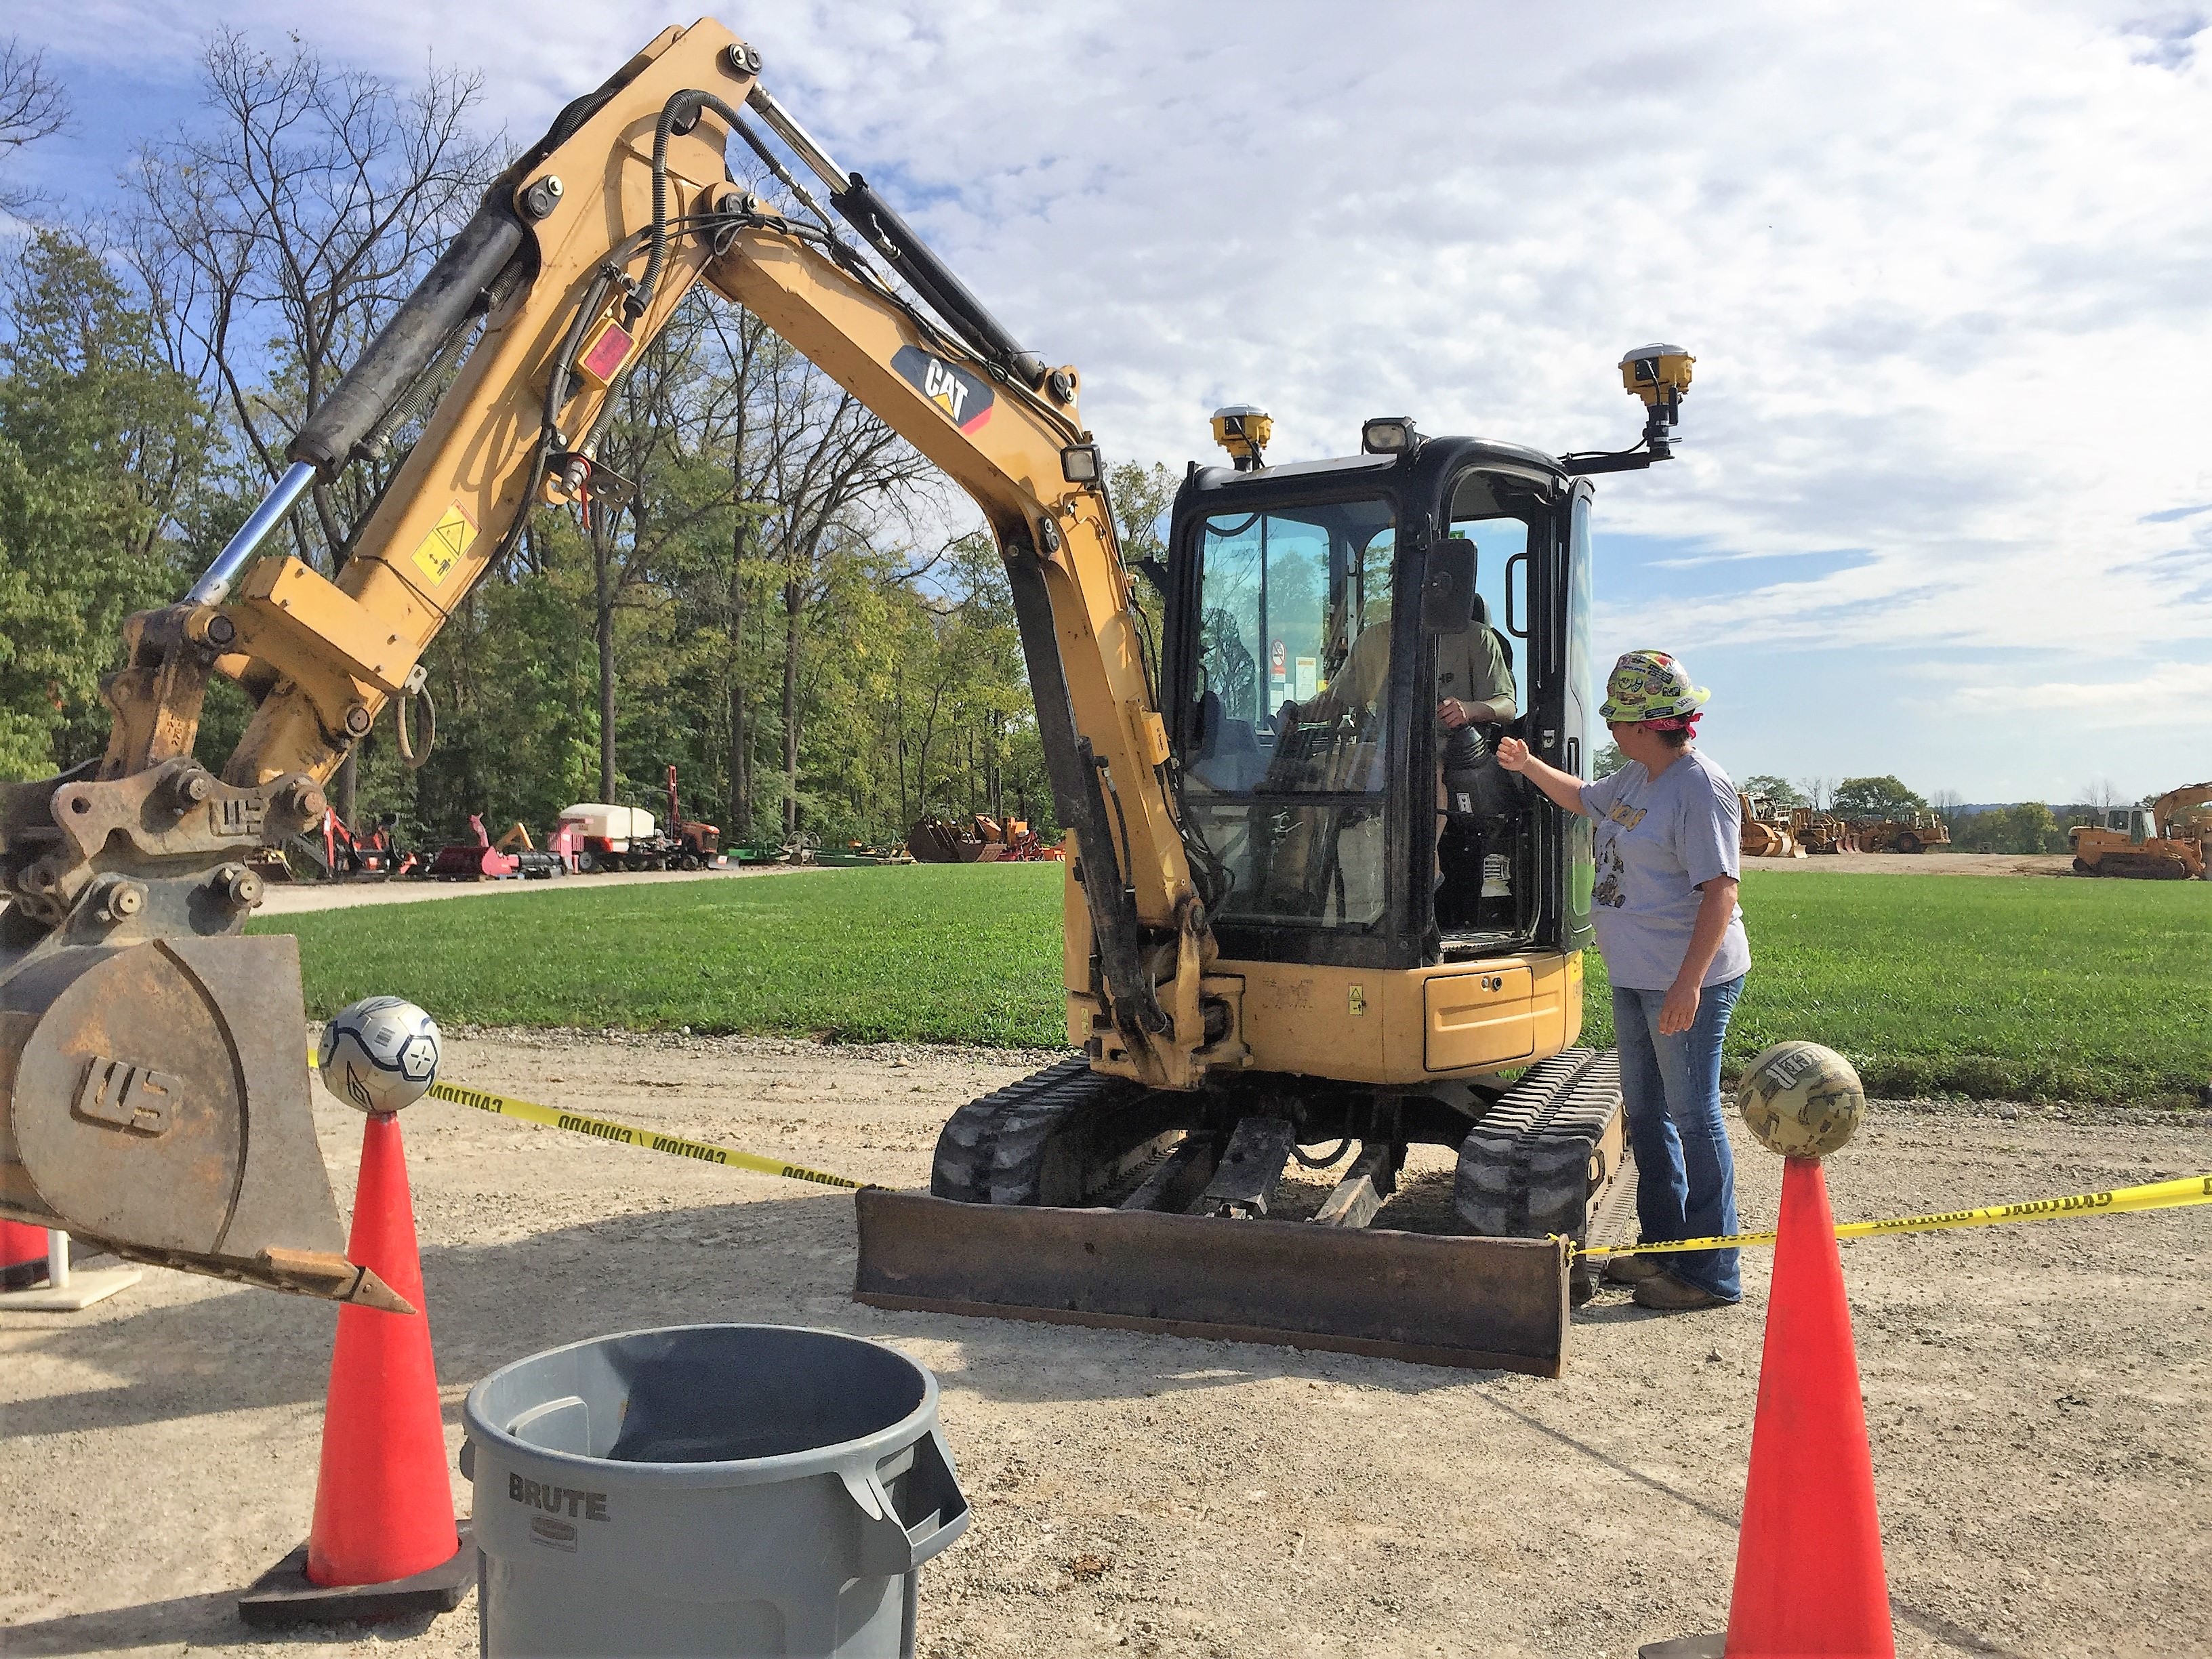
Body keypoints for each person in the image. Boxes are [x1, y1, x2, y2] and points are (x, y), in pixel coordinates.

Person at [1496, 649, 1750, 1311]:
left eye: (1618, 718)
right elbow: (1582, 798)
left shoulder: (1699, 788)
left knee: (1695, 1120)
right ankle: (1666, 1249)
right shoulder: (1638, 778)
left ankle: (1711, 1274)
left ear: (1648, 724)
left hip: (1683, 980)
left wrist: (1688, 985)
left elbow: (1720, 894)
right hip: (1639, 977)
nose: (1611, 729)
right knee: (1648, 1115)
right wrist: (1527, 767)